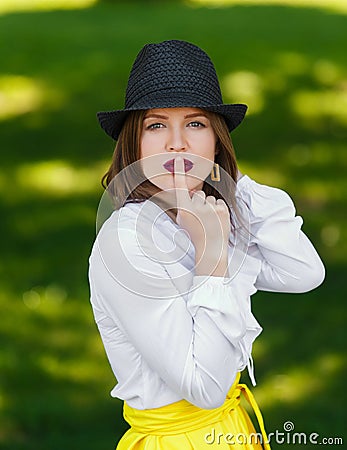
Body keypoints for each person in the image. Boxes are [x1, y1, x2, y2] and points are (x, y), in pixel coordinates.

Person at [88, 40, 325, 449]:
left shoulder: (204, 215)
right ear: (135, 143)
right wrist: (211, 258)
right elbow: (204, 387)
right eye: (156, 125)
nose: (176, 144)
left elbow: (303, 272)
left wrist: (233, 188)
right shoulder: (125, 246)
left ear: (217, 141)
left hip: (230, 433)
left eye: (196, 125)